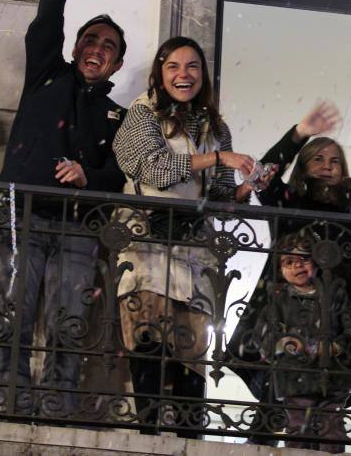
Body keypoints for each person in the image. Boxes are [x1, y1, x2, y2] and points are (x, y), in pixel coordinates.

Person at [0, 0, 127, 417]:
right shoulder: (47, 73)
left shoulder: (122, 115)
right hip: (20, 214)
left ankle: (57, 406)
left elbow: (121, 175)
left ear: (117, 62)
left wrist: (89, 174)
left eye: (108, 46)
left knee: (69, 322)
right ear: (75, 47)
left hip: (78, 227)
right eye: (90, 40)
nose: (96, 48)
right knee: (13, 315)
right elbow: (45, 22)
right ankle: (8, 401)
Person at [112, 36, 255, 437]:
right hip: (146, 244)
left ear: (203, 75)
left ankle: (190, 438)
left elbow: (222, 194)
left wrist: (244, 190)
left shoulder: (216, 127)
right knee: (149, 339)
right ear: (160, 72)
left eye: (192, 66)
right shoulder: (142, 114)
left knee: (192, 350)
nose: (183, 75)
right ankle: (148, 435)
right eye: (173, 66)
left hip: (194, 251)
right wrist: (218, 158)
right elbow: (153, 169)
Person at [228, 116, 351, 443]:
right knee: (273, 406)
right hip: (284, 323)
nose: (327, 166)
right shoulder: (290, 204)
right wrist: (298, 135)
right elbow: (262, 173)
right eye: (319, 159)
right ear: (305, 167)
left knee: (326, 419)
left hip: (331, 331)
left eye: (335, 161)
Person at [252, 232, 351, 453]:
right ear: (280, 269)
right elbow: (262, 335)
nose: (297, 266)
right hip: (295, 377)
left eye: (304, 259)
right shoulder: (279, 298)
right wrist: (286, 342)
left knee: (332, 431)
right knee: (298, 430)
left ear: (318, 261)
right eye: (288, 262)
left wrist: (336, 346)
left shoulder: (334, 291)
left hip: (333, 376)